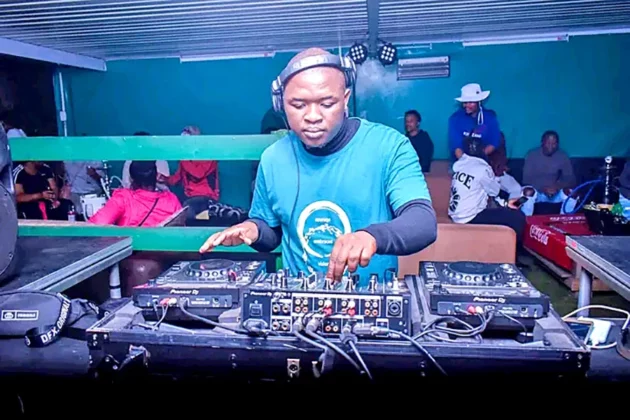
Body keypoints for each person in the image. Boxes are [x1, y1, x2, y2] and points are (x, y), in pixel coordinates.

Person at [199, 48, 437, 285]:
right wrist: (252, 229)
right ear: (281, 105)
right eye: (298, 105)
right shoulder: (272, 159)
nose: (313, 116)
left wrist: (371, 237)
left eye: (326, 103)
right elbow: (271, 233)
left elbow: (422, 221)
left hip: (371, 299)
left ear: (345, 99)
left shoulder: (389, 146)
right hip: (297, 300)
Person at [448, 137, 526, 243]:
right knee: (518, 217)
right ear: (483, 150)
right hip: (470, 217)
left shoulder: (459, 165)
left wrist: (505, 203)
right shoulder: (483, 168)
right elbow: (494, 191)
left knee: (503, 207)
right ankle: (515, 250)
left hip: (456, 216)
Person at [90, 161, 182, 227]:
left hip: (133, 249)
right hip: (164, 248)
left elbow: (97, 224)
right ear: (156, 176)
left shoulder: (124, 198)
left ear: (131, 179)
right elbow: (180, 229)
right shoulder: (171, 199)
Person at [158, 125, 220, 222]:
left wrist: (183, 159)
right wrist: (163, 178)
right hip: (190, 198)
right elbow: (176, 179)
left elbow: (198, 174)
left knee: (190, 214)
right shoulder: (186, 159)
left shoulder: (208, 156)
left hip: (206, 198)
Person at [521, 130, 577, 216]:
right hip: (537, 191)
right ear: (542, 142)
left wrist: (557, 187)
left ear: (557, 144)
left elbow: (570, 178)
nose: (551, 146)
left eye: (554, 143)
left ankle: (564, 221)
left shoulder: (562, 156)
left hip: (555, 192)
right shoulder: (532, 155)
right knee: (527, 192)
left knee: (572, 194)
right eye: (548, 143)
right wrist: (543, 188)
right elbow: (526, 179)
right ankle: (526, 220)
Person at [448, 83, 500, 162]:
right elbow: (456, 146)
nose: (466, 105)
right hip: (461, 161)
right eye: (465, 102)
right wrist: (466, 162)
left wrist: (478, 160)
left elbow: (494, 142)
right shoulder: (455, 119)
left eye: (470, 102)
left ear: (479, 102)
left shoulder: (490, 118)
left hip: (483, 160)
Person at [489, 132, 521, 199]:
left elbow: (501, 164)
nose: (502, 141)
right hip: (489, 175)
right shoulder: (486, 150)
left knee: (516, 188)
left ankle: (511, 205)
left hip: (501, 175)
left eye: (502, 139)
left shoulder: (502, 150)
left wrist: (503, 167)